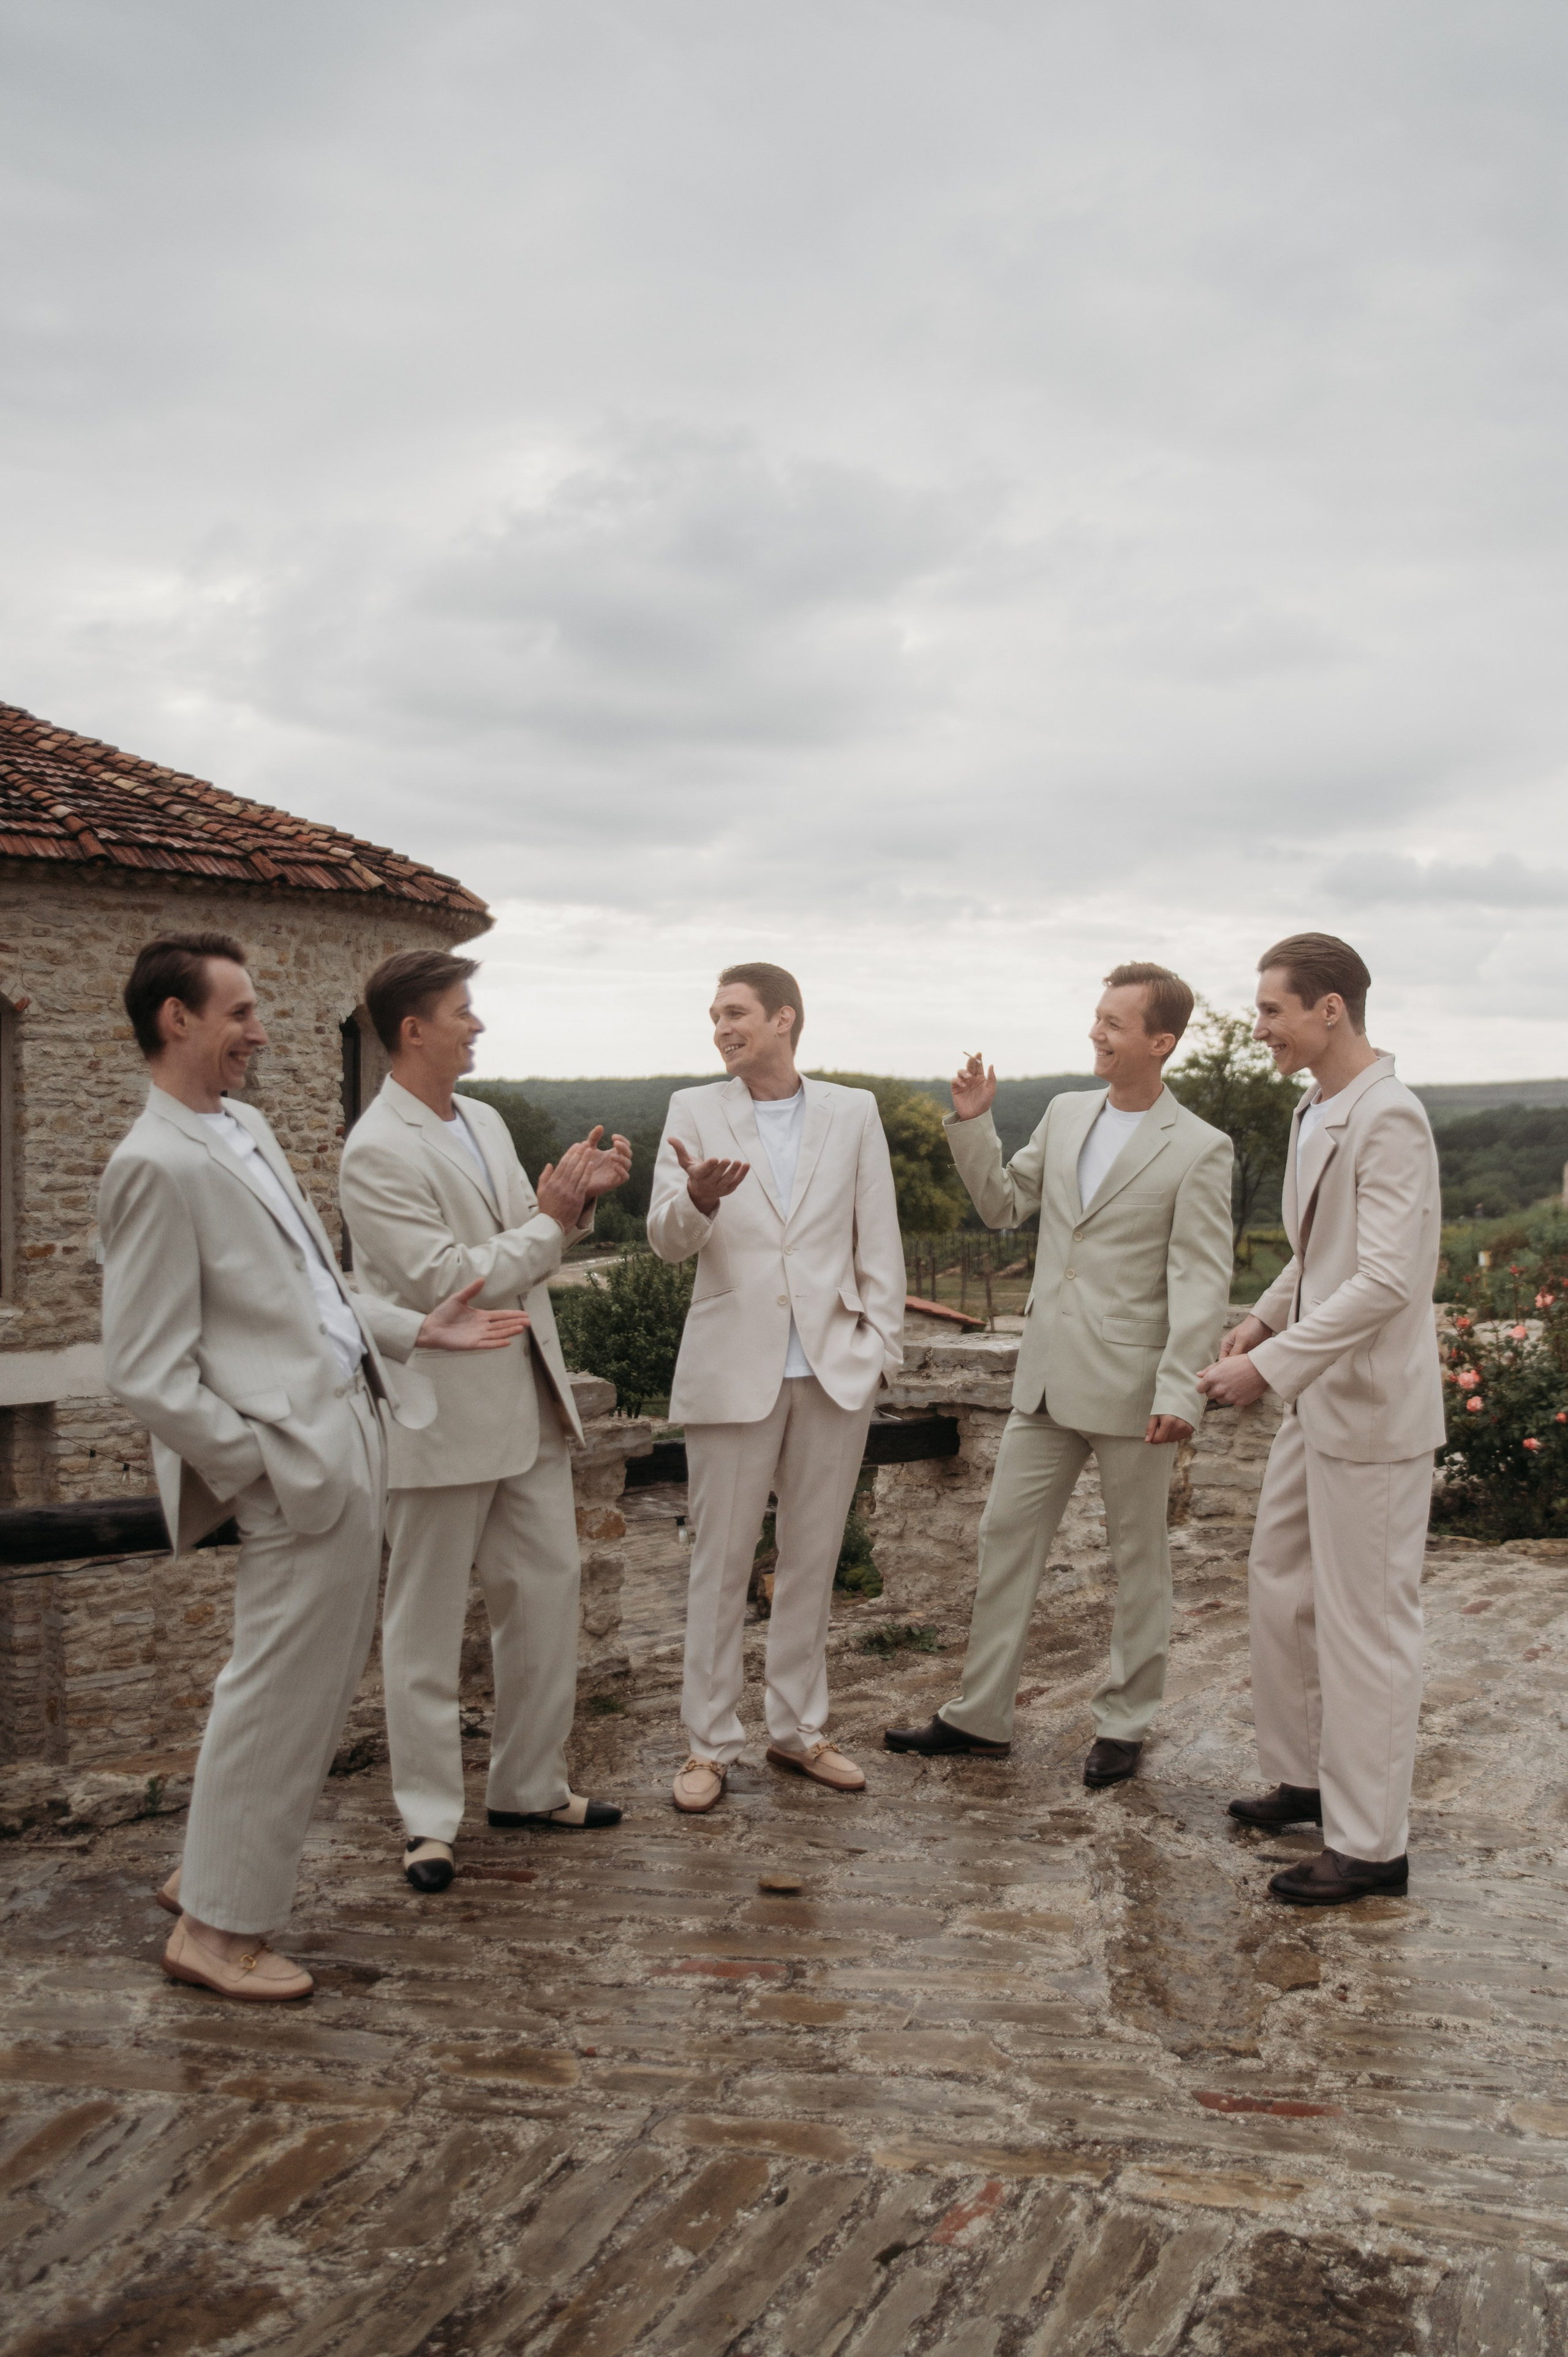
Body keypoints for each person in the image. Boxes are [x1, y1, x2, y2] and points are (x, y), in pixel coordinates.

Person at [100, 933, 528, 2001]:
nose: (260, 1032)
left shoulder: (239, 1127)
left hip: (350, 1437)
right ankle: (217, 1930)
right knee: (279, 1696)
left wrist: (408, 1332)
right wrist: (262, 1466)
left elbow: (317, 1292)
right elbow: (148, 1371)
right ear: (176, 1022)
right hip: (297, 1465)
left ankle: (208, 1872)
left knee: (295, 1687)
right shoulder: (150, 1165)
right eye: (239, 1012)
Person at [885, 964, 1233, 1788]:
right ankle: (980, 1715)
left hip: (1135, 1393)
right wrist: (974, 1127)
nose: (1096, 1033)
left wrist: (1183, 1390)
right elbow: (1004, 1206)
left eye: (1115, 1022)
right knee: (1005, 1538)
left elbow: (1200, 1282)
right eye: (1097, 1017)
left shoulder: (1200, 1149)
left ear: (1161, 1042)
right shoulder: (1067, 1112)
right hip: (1044, 1382)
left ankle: (1125, 1722)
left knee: (1138, 1561)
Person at [339, 950, 631, 1893]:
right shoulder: (375, 1149)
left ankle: (531, 1787)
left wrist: (575, 1200)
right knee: (421, 1627)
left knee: (546, 1600)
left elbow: (524, 1243)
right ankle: (428, 1822)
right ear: (413, 1030)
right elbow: (445, 1283)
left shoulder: (489, 1119)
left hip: (528, 1404)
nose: (479, 1025)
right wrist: (546, 1224)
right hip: (437, 1415)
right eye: (463, 1012)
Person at [1198, 933, 1442, 1906]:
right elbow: (1322, 1251)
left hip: (1372, 1410)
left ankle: (1373, 1845)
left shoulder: (1391, 1118)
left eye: (1271, 1011)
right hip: (1317, 1396)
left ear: (1329, 1008)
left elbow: (1387, 1278)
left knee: (1367, 1626)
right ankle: (1305, 1778)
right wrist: (1261, 1316)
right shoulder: (1316, 1106)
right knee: (1281, 1589)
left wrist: (1267, 1364)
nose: (1260, 1028)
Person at [646, 963, 904, 1812]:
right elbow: (665, 1242)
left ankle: (798, 1731)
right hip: (732, 1368)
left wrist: (879, 1352)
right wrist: (698, 1200)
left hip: (834, 1370)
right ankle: (708, 1746)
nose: (721, 1028)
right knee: (718, 1564)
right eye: (714, 1015)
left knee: (812, 1559)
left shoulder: (853, 1111)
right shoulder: (693, 1109)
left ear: (784, 1019)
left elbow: (881, 1239)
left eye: (736, 1013)